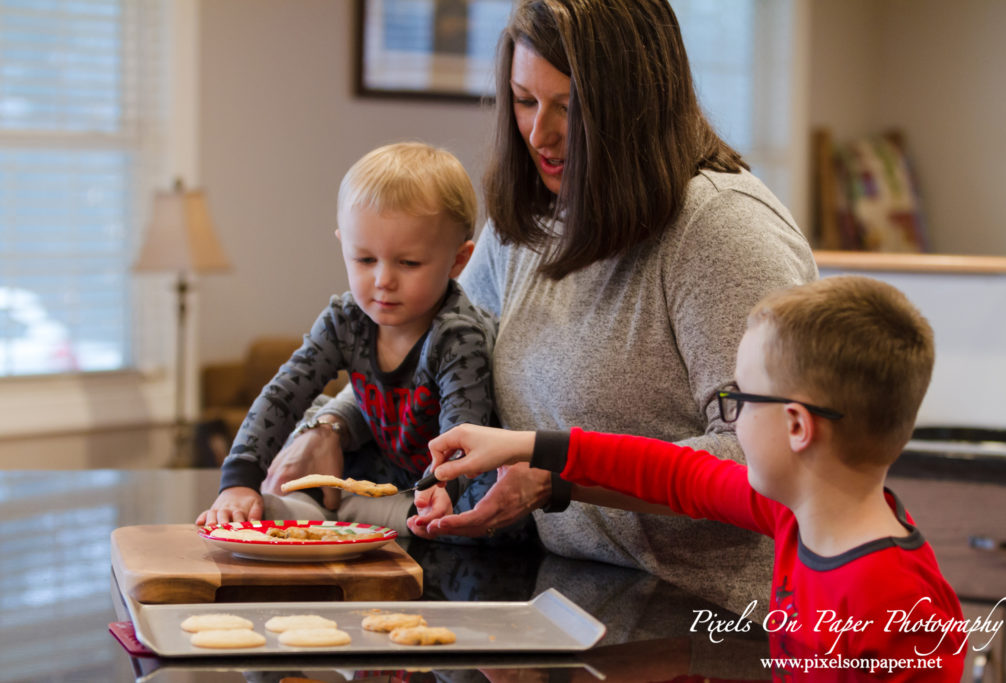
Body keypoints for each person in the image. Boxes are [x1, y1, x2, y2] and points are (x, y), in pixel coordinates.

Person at [291, 0, 816, 613]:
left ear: (640, 104)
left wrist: (559, 476)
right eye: (524, 100)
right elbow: (431, 344)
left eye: (571, 107)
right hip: (570, 595)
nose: (541, 133)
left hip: (712, 618)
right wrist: (329, 424)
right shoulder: (533, 217)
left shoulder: (723, 232)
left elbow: (767, 458)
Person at [427, 276, 966, 681]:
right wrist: (527, 445)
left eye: (741, 400)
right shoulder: (789, 515)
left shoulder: (899, 604)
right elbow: (674, 473)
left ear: (797, 426)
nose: (730, 419)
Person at [195, 142, 497, 533]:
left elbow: (462, 433)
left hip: (438, 491)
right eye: (365, 259)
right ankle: (314, 509)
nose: (383, 280)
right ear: (343, 245)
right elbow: (283, 395)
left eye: (408, 263)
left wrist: (442, 487)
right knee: (313, 413)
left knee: (462, 517)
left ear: (459, 260)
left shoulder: (458, 337)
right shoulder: (345, 318)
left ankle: (328, 515)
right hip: (377, 477)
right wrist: (238, 482)